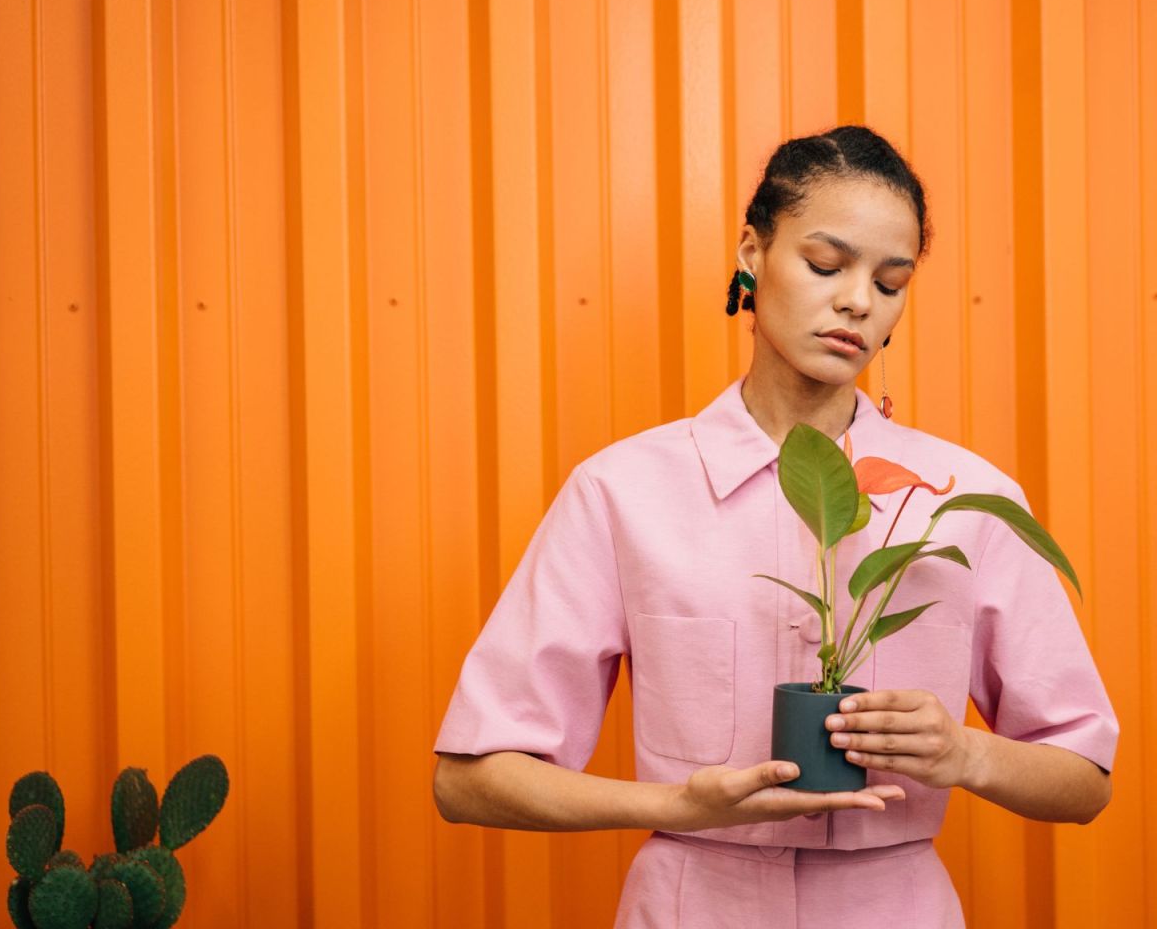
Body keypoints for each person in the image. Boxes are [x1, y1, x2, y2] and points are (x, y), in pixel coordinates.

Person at [431, 125, 1117, 927]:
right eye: (826, 265)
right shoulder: (623, 491)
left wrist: (968, 753)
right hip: (691, 905)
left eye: (890, 282)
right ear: (752, 252)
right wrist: (678, 803)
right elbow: (467, 779)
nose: (858, 299)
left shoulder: (959, 496)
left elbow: (1085, 782)